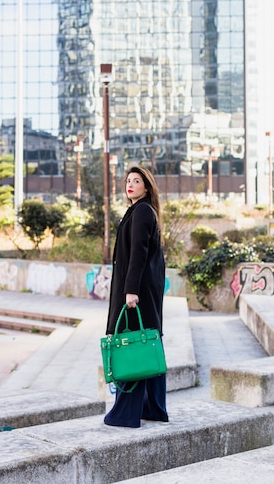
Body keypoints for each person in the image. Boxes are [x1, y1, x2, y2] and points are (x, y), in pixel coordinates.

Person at [104, 165, 169, 428]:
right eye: (128, 181)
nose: (130, 184)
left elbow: (139, 253)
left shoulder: (142, 211)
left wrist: (130, 290)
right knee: (148, 342)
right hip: (144, 289)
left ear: (147, 186)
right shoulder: (138, 210)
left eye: (137, 181)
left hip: (137, 291)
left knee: (132, 345)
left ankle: (126, 412)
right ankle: (153, 408)